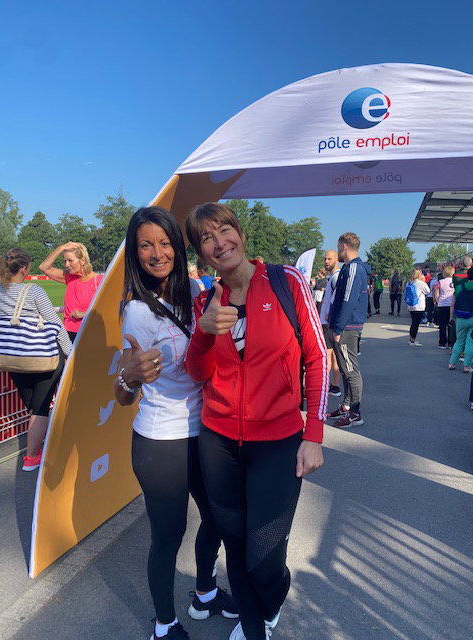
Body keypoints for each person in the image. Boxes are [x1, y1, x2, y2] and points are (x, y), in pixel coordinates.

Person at [184, 202, 327, 640]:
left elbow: (317, 357)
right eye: (206, 237)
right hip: (219, 441)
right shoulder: (206, 301)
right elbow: (197, 372)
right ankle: (252, 624)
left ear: (240, 234)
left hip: (278, 441)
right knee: (236, 543)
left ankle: (272, 597)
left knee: (264, 558)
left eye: (223, 230)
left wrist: (314, 434)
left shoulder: (287, 281)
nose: (218, 242)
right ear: (201, 252)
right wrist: (205, 331)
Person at [114, 207, 237, 640]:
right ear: (135, 252)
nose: (157, 252)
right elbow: (123, 391)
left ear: (178, 248)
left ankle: (204, 593)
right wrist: (130, 377)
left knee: (220, 518)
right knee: (169, 535)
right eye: (145, 244)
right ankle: (164, 625)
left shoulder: (197, 293)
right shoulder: (137, 313)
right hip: (161, 440)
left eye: (164, 242)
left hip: (205, 431)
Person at [0, 248, 72, 470]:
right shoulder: (34, 291)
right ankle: (33, 456)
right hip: (43, 356)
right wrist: (71, 352)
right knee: (39, 407)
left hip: (12, 356)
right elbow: (55, 325)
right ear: (26, 268)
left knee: (33, 405)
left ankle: (34, 449)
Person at [326, 232, 370, 428]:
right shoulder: (349, 268)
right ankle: (347, 405)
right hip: (345, 325)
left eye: (337, 248)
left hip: (348, 327)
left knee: (351, 370)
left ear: (343, 246)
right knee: (345, 368)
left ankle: (355, 413)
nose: (337, 251)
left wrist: (339, 327)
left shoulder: (353, 269)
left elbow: (348, 300)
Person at [39, 242, 103, 343]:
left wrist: (84, 314)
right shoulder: (69, 277)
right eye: (65, 261)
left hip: (88, 333)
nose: (66, 265)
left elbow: (109, 309)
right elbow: (44, 267)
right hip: (67, 333)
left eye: (70, 260)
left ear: (82, 261)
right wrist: (62, 247)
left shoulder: (99, 281)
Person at [320, 250, 342, 397]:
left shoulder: (336, 277)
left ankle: (322, 387)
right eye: (325, 259)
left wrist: (330, 315)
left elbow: (337, 299)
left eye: (330, 259)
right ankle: (334, 386)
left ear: (336, 260)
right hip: (330, 322)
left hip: (328, 322)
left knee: (326, 355)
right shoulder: (335, 277)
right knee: (333, 355)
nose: (326, 261)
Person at [448, 265, 473, 373]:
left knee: (459, 341)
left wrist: (451, 316)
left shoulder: (459, 287)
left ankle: (452, 363)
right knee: (470, 342)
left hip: (460, 317)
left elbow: (452, 304)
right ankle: (466, 366)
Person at [406, 270, 430, 346]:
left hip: (411, 305)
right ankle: (413, 340)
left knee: (413, 323)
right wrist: (424, 282)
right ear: (419, 275)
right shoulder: (421, 283)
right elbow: (428, 291)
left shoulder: (409, 283)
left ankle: (410, 338)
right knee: (416, 324)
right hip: (419, 306)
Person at [434, 265, 454, 349]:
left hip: (442, 304)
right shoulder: (454, 282)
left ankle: (442, 343)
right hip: (451, 305)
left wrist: (438, 300)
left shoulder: (440, 282)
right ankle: (450, 343)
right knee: (451, 324)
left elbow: (436, 292)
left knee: (442, 325)